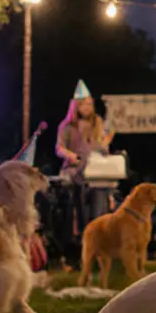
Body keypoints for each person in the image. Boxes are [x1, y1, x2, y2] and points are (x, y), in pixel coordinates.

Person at [57, 80, 115, 238]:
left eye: (90, 104)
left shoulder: (98, 123)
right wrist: (70, 155)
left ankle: (97, 237)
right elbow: (59, 148)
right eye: (83, 104)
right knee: (78, 206)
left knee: (98, 206)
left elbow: (102, 148)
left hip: (95, 173)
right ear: (76, 106)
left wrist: (105, 143)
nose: (87, 107)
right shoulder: (67, 126)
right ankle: (80, 237)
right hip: (76, 171)